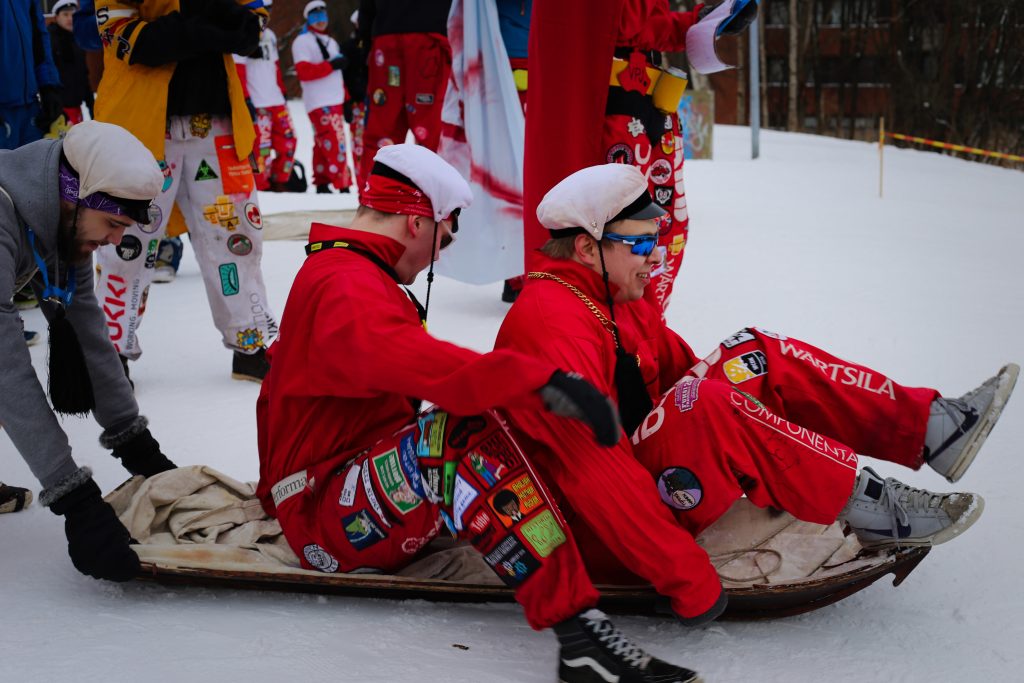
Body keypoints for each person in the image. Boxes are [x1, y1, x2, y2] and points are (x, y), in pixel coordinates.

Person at [257, 144, 702, 683]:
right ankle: (579, 635)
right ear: (419, 222)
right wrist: (540, 382)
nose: (434, 258)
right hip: (323, 518)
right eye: (443, 241)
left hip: (337, 491)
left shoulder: (349, 273)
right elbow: (411, 360)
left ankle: (572, 601)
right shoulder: (345, 284)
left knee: (487, 426)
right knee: (457, 433)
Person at [496, 164, 1018, 617]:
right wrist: (680, 575)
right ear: (587, 247)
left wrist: (749, 420)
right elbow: (591, 475)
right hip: (593, 529)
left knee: (754, 354)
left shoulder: (612, 294)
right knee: (705, 403)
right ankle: (866, 506)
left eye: (656, 239)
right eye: (640, 243)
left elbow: (682, 376)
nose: (655, 257)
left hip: (636, 471)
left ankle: (934, 429)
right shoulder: (550, 327)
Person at [0, 120, 178, 579]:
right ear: (74, 195)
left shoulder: (63, 227)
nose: (116, 240)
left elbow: (89, 335)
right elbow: (5, 367)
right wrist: (73, 497)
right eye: (113, 223)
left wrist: (137, 446)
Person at [523, 1, 757, 315]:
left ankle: (641, 333)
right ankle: (616, 333)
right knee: (622, 232)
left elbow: (641, 26)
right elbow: (614, 25)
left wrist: (694, 23)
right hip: (608, 112)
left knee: (661, 228)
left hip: (643, 107)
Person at [92, 0, 277, 382]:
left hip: (218, 126)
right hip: (140, 129)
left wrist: (187, 27)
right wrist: (208, 25)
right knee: (125, 244)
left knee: (236, 240)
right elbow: (132, 42)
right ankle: (110, 355)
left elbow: (251, 31)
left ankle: (250, 345)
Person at [356, 0, 452, 184]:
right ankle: (438, 198)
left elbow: (366, 9)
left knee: (383, 128)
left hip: (387, 38)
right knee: (432, 128)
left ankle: (374, 198)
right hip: (429, 35)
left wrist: (366, 44)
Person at [292, 0, 352, 194]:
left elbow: (338, 76)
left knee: (323, 142)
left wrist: (346, 98)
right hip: (319, 101)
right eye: (315, 17)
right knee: (335, 142)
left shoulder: (331, 42)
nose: (320, 21)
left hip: (334, 99)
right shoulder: (302, 41)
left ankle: (322, 182)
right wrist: (330, 66)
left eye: (323, 16)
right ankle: (342, 185)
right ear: (308, 19)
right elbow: (304, 71)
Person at [235, 0, 296, 193]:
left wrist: (283, 91)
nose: (265, 14)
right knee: (260, 148)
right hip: (257, 101)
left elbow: (275, 67)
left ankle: (280, 180)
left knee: (289, 141)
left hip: (276, 100)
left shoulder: (269, 35)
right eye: (260, 10)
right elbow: (238, 71)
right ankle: (261, 186)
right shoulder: (241, 33)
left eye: (268, 10)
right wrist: (246, 99)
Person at [1, 0, 63, 150]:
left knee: (32, 171)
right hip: (3, 110)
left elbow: (38, 37)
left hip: (30, 109)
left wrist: (48, 86)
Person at [47, 0, 94, 126]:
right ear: (56, 17)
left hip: (76, 108)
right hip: (58, 111)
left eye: (73, 15)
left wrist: (91, 105)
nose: (70, 18)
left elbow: (83, 74)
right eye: (65, 14)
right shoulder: (49, 41)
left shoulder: (78, 39)